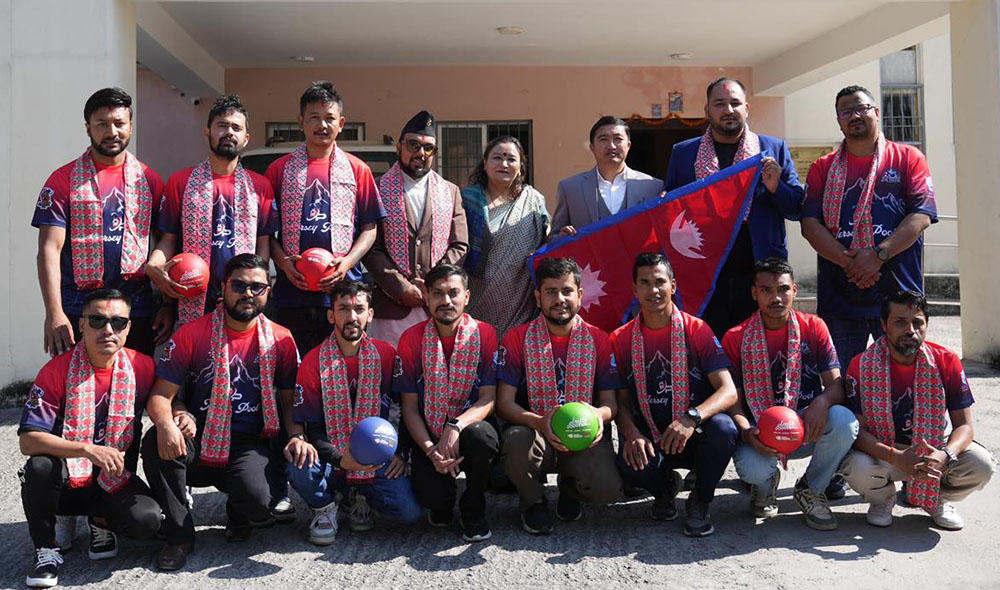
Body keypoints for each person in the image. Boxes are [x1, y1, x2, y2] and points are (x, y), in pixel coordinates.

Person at [141, 254, 299, 570]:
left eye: (257, 287)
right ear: (223, 287)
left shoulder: (281, 339)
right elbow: (160, 395)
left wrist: (296, 436)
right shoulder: (191, 334)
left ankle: (238, 512)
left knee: (258, 504)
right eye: (239, 285)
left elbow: (289, 401)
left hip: (248, 443)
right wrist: (168, 423)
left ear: (268, 290)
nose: (247, 293)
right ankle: (179, 535)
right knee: (155, 441)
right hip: (198, 439)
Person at [18, 289, 161, 588]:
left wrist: (179, 416)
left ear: (128, 327)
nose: (108, 330)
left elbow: (166, 400)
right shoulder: (56, 370)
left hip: (112, 477)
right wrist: (86, 449)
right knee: (39, 467)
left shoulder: (143, 366)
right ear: (81, 325)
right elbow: (28, 441)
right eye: (97, 320)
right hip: (67, 478)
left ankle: (100, 521)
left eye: (118, 322)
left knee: (147, 520)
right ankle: (46, 549)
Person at [801, 85, 937, 368]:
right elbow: (810, 225)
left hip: (898, 297)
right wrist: (851, 263)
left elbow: (921, 215)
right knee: (841, 378)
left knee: (904, 377)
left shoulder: (908, 158)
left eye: (861, 108)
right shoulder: (822, 168)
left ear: (876, 112)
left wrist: (878, 256)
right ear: (839, 121)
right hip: (840, 297)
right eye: (846, 112)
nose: (854, 116)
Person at [841, 290, 995, 530]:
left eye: (917, 322)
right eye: (900, 322)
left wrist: (945, 455)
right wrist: (895, 456)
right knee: (855, 466)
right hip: (886, 451)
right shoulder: (860, 364)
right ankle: (882, 499)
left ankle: (937, 499)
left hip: (933, 448)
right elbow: (857, 432)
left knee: (981, 464)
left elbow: (964, 426)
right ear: (884, 325)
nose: (910, 330)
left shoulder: (946, 361)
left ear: (926, 325)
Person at [723, 258, 858, 530]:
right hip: (761, 431)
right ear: (754, 293)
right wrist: (746, 431)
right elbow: (732, 400)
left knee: (844, 421)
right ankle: (764, 485)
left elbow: (836, 384)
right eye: (766, 290)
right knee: (752, 468)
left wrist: (822, 401)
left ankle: (811, 489)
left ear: (794, 290)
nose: (776, 298)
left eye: (783, 289)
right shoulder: (735, 337)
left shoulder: (814, 327)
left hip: (806, 425)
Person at [33, 87, 168, 358]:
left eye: (119, 123)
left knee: (136, 380)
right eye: (101, 124)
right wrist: (54, 312)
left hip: (135, 309)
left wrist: (166, 304)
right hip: (78, 308)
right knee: (76, 382)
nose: (112, 132)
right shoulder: (63, 180)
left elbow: (165, 241)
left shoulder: (149, 179)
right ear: (88, 128)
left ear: (131, 126)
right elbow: (49, 250)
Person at [665, 77, 804, 339]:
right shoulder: (684, 153)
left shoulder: (773, 149)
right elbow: (671, 211)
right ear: (707, 110)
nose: (728, 110)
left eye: (735, 103)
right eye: (720, 104)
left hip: (759, 267)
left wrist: (776, 187)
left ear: (746, 109)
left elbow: (796, 208)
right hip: (704, 267)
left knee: (759, 341)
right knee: (708, 341)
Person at [611, 253, 738, 537]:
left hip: (694, 433)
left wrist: (692, 418)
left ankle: (700, 501)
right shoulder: (620, 339)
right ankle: (665, 488)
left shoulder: (697, 330)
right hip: (651, 435)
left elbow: (728, 391)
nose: (653, 290)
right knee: (630, 465)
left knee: (724, 430)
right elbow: (620, 402)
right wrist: (631, 433)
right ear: (634, 289)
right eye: (644, 283)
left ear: (673, 286)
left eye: (660, 282)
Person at [285, 280, 420, 546]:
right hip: (331, 457)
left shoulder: (387, 355)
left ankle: (361, 497)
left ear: (370, 314)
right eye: (344, 309)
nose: (352, 317)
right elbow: (313, 428)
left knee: (410, 512)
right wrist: (341, 460)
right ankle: (325, 507)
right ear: (331, 315)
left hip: (378, 457)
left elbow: (404, 410)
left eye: (359, 309)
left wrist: (401, 453)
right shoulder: (313, 361)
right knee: (297, 460)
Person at [495, 257, 623, 535]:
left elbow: (610, 404)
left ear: (580, 294)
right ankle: (533, 501)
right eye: (551, 292)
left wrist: (596, 416)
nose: (560, 299)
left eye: (567, 291)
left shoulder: (599, 339)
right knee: (515, 441)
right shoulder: (517, 338)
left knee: (608, 490)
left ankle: (570, 488)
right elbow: (504, 404)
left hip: (582, 433)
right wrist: (540, 422)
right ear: (538, 297)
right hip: (536, 431)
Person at [267, 82, 386, 354]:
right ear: (301, 121)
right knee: (292, 366)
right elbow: (266, 233)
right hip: (293, 294)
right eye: (314, 117)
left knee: (342, 365)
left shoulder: (358, 170)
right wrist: (284, 264)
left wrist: (348, 262)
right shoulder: (279, 169)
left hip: (344, 294)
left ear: (341, 123)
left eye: (330, 118)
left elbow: (370, 229)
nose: (322, 125)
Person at [146, 95, 276, 326]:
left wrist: (256, 281)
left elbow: (263, 244)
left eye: (236, 127)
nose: (229, 132)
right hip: (192, 294)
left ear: (246, 138)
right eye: (222, 125)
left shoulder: (260, 186)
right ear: (207, 132)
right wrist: (154, 265)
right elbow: (168, 239)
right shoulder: (181, 182)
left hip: (241, 297)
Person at [397, 264, 500, 542]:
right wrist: (431, 450)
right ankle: (442, 498)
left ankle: (474, 505)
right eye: (438, 293)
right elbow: (409, 407)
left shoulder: (485, 334)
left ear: (466, 296)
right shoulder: (411, 339)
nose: (446, 301)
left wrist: (455, 426)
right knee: (433, 499)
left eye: (453, 293)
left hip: (468, 428)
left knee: (482, 438)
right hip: (428, 432)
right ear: (427, 297)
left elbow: (488, 398)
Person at [363, 111, 468, 345]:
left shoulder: (450, 191)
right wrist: (402, 289)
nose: (421, 153)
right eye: (413, 145)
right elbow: (371, 249)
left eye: (428, 148)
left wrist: (434, 285)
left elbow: (460, 245)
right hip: (392, 308)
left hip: (438, 308)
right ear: (399, 147)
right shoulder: (377, 188)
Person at [461, 136, 549, 337]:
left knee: (513, 347)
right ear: (485, 163)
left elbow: (547, 238)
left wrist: (561, 235)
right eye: (497, 158)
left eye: (511, 159)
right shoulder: (466, 200)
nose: (504, 164)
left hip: (519, 299)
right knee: (479, 343)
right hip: (476, 293)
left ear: (520, 166)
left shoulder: (533, 200)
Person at [550, 116, 663, 238]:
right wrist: (561, 237)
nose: (611, 146)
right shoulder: (570, 189)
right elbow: (553, 237)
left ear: (628, 145)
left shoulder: (653, 187)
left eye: (618, 139)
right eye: (603, 139)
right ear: (592, 147)